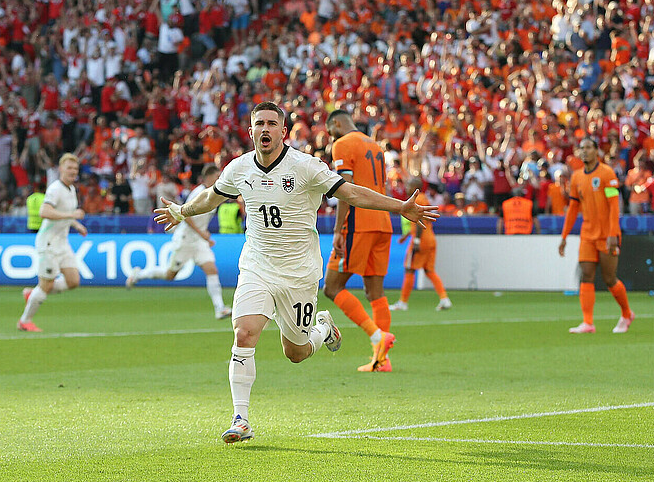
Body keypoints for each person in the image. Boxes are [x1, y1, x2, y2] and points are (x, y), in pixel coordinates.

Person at [153, 102, 438, 444]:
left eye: (272, 123)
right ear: (251, 130)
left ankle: (323, 328)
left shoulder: (305, 167)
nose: (265, 129)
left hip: (298, 273)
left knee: (296, 353)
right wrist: (182, 211)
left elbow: (350, 192)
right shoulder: (239, 168)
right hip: (257, 266)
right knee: (244, 333)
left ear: (283, 131)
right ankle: (240, 418)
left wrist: (400, 207)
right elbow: (212, 198)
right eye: (259, 123)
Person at [323, 109, 396, 373]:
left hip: (359, 223)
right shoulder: (375, 146)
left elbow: (346, 189)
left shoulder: (343, 144)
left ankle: (377, 337)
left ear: (337, 123)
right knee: (375, 292)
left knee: (331, 287)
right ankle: (381, 360)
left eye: (330, 130)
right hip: (383, 223)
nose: (330, 136)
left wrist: (339, 229)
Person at [127, 164, 232, 319]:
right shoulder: (198, 192)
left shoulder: (214, 193)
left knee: (212, 269)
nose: (218, 180)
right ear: (208, 177)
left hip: (199, 240)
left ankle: (220, 308)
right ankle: (138, 275)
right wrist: (202, 233)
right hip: (186, 238)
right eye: (217, 177)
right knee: (170, 275)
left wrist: (203, 235)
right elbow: (185, 214)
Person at [558, 137, 635, 334]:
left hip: (607, 234)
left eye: (588, 148)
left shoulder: (606, 174)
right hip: (587, 234)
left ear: (596, 151)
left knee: (609, 278)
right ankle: (588, 322)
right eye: (581, 148)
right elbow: (574, 207)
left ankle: (627, 314)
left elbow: (613, 206)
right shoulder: (576, 177)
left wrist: (612, 233)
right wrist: (564, 236)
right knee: (586, 274)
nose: (584, 151)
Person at [17, 154, 88, 332]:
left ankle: (33, 294)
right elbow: (45, 211)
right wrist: (72, 216)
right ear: (61, 169)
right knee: (47, 284)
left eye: (75, 169)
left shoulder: (71, 189)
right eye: (69, 168)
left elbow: (63, 212)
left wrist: (76, 225)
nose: (73, 171)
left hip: (62, 242)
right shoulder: (55, 189)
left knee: (73, 281)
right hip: (48, 242)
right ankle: (25, 321)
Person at [390, 176, 451, 314]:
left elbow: (419, 220)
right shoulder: (424, 198)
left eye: (409, 184)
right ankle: (444, 298)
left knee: (409, 269)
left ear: (415, 188)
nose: (406, 187)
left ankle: (403, 302)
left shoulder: (417, 199)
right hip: (430, 238)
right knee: (429, 270)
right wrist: (406, 236)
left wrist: (416, 240)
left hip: (421, 239)